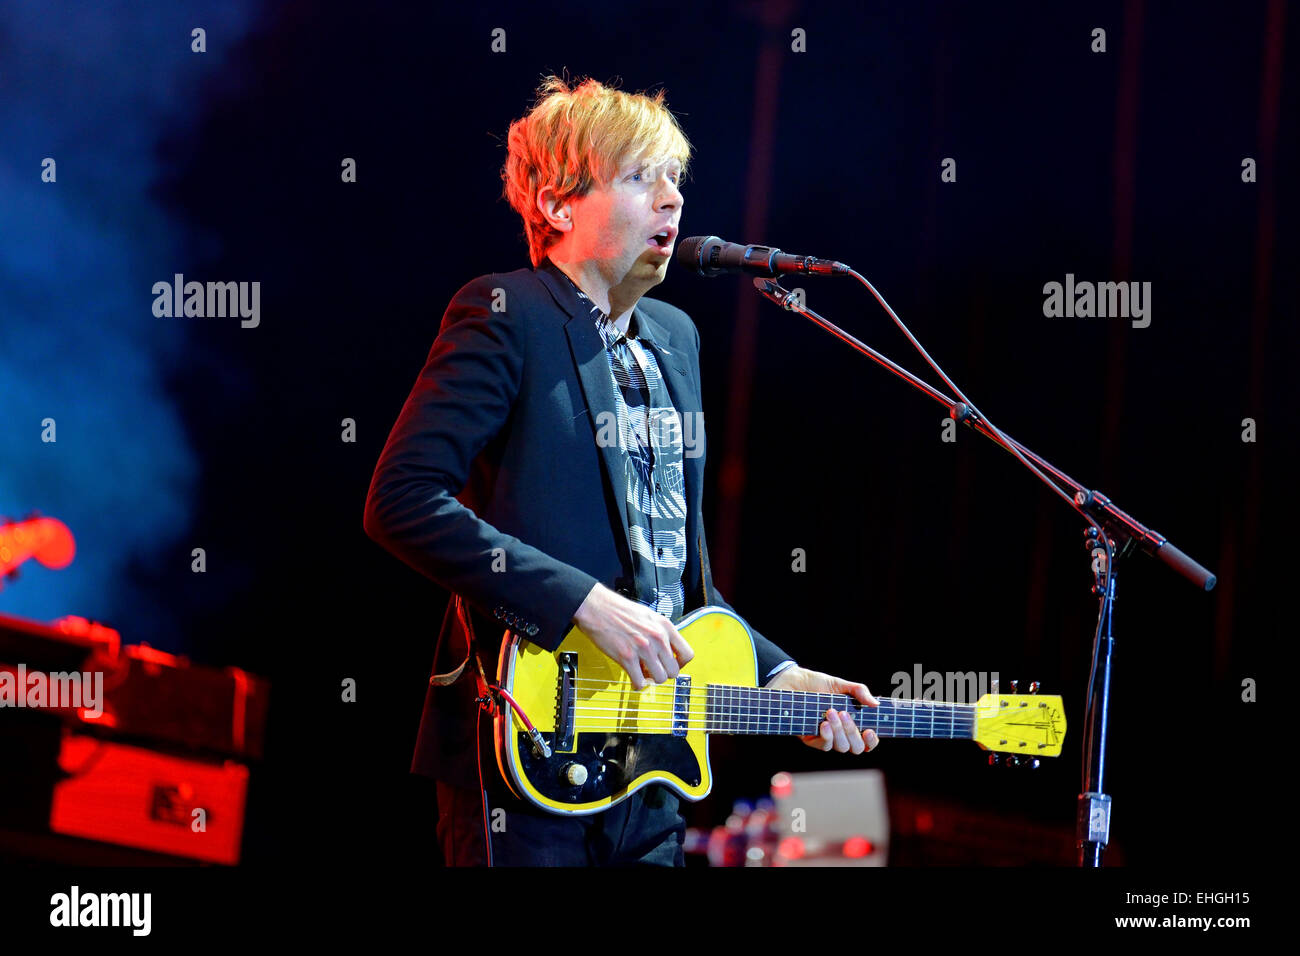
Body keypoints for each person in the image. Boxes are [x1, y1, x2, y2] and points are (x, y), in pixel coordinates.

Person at [363, 75, 879, 867]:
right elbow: (401, 499)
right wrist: (579, 603)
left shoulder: (676, 339)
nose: (672, 200)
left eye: (676, 179)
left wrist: (779, 676)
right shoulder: (507, 311)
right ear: (559, 205)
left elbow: (678, 574)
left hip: (651, 771)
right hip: (526, 746)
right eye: (641, 178)